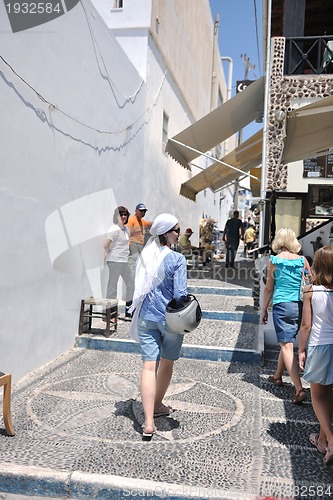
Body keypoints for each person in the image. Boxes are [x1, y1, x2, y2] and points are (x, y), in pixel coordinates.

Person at [129, 213, 187, 440]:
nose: (179, 233)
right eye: (176, 230)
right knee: (167, 363)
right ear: (166, 233)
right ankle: (158, 404)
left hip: (146, 318)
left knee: (148, 367)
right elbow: (180, 294)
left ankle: (149, 423)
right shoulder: (177, 259)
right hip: (170, 320)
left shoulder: (145, 256)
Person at [261, 227, 311, 404]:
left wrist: (264, 309)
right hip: (299, 306)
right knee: (287, 342)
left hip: (281, 305)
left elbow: (269, 288)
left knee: (287, 346)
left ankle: (299, 389)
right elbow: (309, 282)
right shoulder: (302, 260)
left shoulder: (274, 260)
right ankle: (277, 376)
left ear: (279, 241)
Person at [298, 246, 333, 465]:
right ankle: (321, 440)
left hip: (320, 346)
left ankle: (330, 438)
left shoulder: (311, 291)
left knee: (317, 396)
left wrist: (301, 350)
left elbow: (306, 325)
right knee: (329, 395)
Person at [103, 206, 134, 319]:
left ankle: (129, 311)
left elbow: (126, 243)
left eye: (125, 214)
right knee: (112, 287)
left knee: (131, 285)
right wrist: (107, 255)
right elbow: (106, 244)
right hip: (115, 261)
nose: (124, 217)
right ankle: (109, 314)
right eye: (121, 214)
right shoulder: (114, 229)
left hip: (124, 261)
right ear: (116, 216)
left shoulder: (126, 230)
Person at [126, 203, 152, 273]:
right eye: (141, 211)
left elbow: (149, 224)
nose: (143, 213)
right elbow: (127, 233)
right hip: (133, 244)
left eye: (144, 211)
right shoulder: (131, 220)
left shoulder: (142, 221)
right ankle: (132, 281)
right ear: (136, 211)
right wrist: (128, 246)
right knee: (133, 262)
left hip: (140, 245)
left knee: (140, 263)